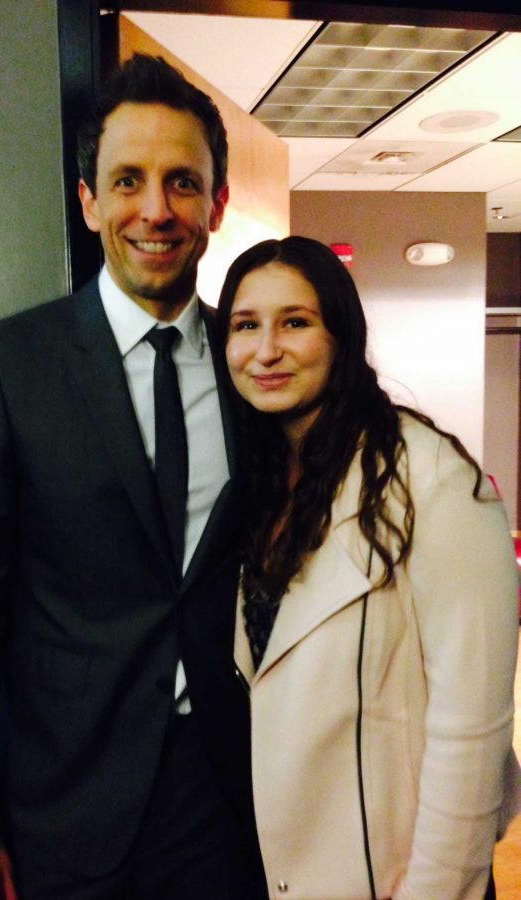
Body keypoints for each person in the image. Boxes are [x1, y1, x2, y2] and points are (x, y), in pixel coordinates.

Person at [0, 54, 266, 900]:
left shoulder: (257, 367)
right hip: (66, 811)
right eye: (128, 181)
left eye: (183, 183)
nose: (156, 209)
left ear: (216, 206)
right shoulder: (3, 364)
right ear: (89, 201)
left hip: (234, 803)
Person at [216, 235, 520, 899]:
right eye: (245, 326)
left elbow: (469, 734)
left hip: (398, 878)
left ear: (340, 336)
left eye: (294, 322)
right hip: (283, 868)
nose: (265, 350)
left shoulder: (434, 483)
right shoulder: (252, 485)